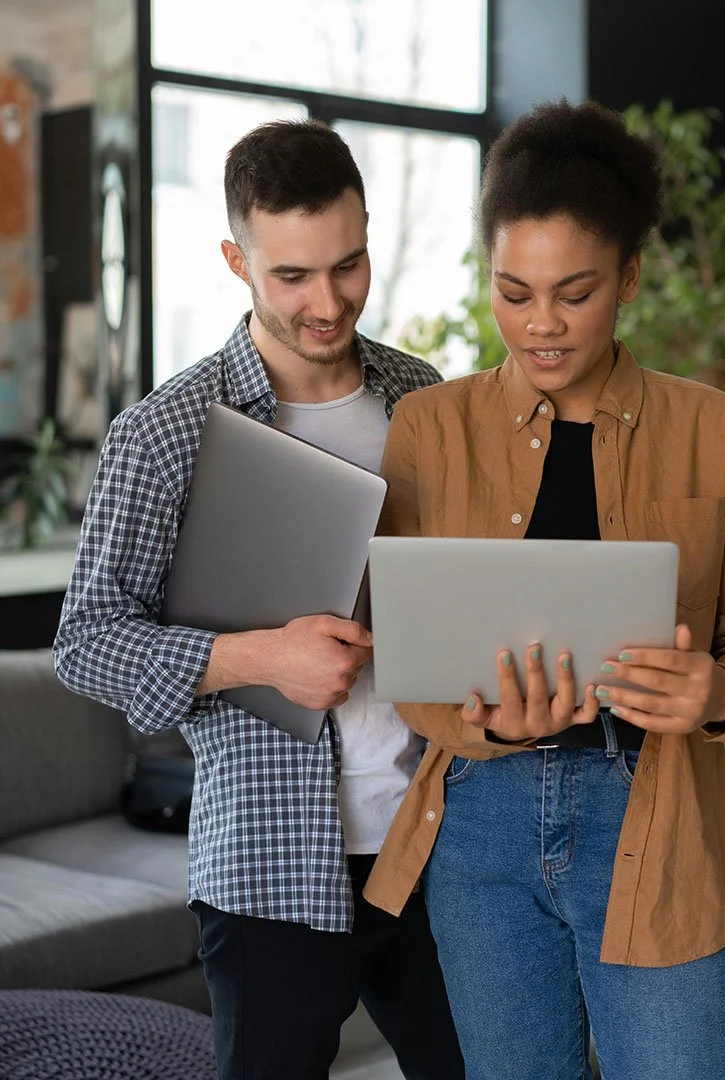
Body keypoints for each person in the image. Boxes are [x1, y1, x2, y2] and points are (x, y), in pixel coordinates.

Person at [364, 100, 725, 1080]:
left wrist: (714, 692)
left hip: (659, 814)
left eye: (573, 292)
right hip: (478, 829)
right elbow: (407, 648)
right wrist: (490, 724)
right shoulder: (429, 429)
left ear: (629, 278)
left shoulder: (720, 432)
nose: (540, 325)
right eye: (513, 292)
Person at [54, 119, 464, 1080]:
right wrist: (260, 658)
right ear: (237, 259)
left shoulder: (428, 399)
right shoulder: (164, 435)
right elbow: (85, 642)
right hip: (269, 868)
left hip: (436, 846)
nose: (329, 302)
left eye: (349, 263)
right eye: (292, 276)